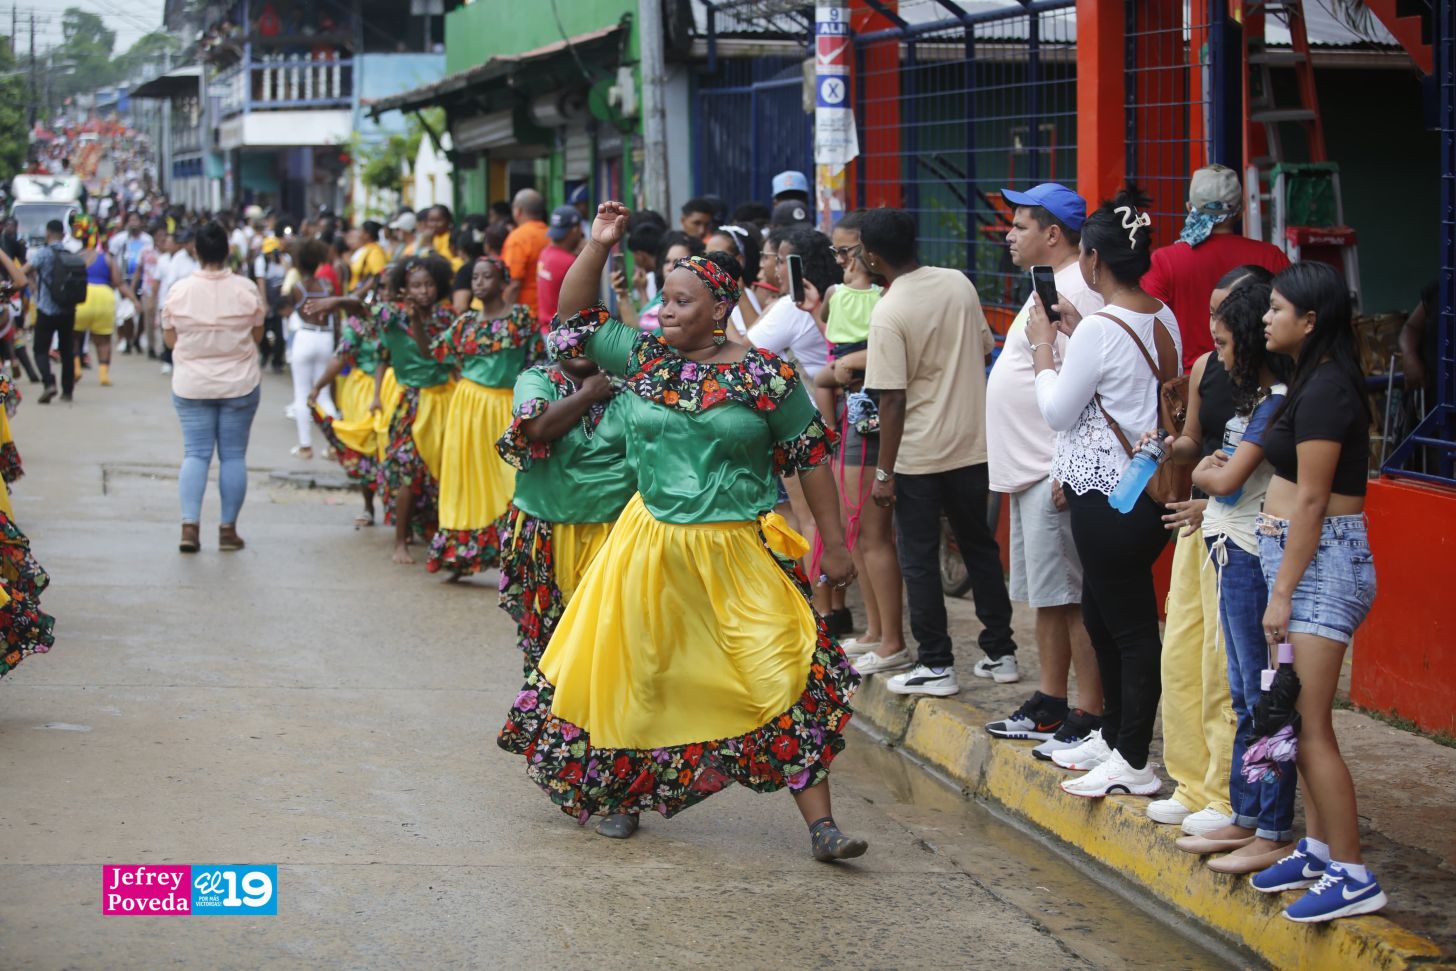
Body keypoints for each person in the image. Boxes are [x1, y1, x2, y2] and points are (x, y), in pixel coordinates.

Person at [499, 201, 866, 861]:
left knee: (779, 666)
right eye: (663, 299)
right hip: (648, 544)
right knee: (636, 671)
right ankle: (619, 798)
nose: (664, 310)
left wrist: (834, 543)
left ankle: (822, 825)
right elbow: (575, 319)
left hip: (733, 548)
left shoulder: (764, 376)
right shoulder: (641, 358)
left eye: (680, 301)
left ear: (720, 309)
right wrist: (599, 244)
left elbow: (811, 457)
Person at [1026, 187, 1181, 797]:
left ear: (1091, 260)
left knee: (1131, 628)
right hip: (1143, 489)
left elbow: (1059, 412)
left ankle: (1135, 758)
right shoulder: (1159, 315)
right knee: (1104, 612)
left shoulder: (1099, 332)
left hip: (1111, 496)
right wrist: (1080, 328)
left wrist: (1046, 348)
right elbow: (1132, 383)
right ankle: (1115, 736)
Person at [1246, 262, 1385, 923]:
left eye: (1276, 308)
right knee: (1294, 719)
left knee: (1310, 726)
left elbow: (1312, 499)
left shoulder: (1328, 387)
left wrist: (1282, 593)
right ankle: (1320, 848)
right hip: (1300, 559)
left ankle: (1353, 872)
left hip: (1321, 564)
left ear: (1310, 319)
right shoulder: (1309, 377)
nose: (1266, 317)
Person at [862, 208, 1015, 698]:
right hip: (972, 445)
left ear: (870, 256)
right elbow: (983, 346)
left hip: (920, 456)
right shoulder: (958, 284)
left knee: (919, 558)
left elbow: (891, 397)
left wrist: (883, 472)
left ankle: (936, 663)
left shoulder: (888, 311)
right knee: (979, 548)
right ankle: (1001, 652)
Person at [1174, 277, 1298, 875]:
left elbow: (1223, 480)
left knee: (1260, 699)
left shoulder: (1275, 402)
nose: (1218, 357)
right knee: (1245, 692)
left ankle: (1269, 826)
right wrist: (1208, 470)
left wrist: (1203, 470)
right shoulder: (1258, 403)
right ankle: (1246, 818)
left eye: (1225, 344)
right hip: (1232, 552)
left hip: (1251, 556)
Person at [982, 183, 1105, 755]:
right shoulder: (1047, 287)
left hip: (1051, 467)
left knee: (1072, 597)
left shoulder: (1081, 291)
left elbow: (1088, 390)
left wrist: (1066, 464)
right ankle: (1052, 702)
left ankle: (1091, 712)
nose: (1009, 234)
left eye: (1020, 224)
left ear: (1053, 234)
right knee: (1047, 596)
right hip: (1029, 467)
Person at [1148, 265, 1267, 835]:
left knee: (1227, 667)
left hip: (1237, 528)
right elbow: (1197, 437)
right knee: (1182, 650)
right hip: (1199, 523)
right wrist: (1172, 448)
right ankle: (1190, 782)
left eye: (1227, 315)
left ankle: (1224, 791)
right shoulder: (1204, 366)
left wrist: (1209, 491)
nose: (1215, 324)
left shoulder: (1272, 387)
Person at [304, 257, 456, 564]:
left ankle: (440, 535)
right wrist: (335, 301)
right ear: (404, 289)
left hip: (445, 401)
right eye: (416, 285)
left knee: (445, 472)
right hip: (411, 403)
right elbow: (360, 310)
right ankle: (400, 541)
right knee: (407, 473)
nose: (424, 291)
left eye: (429, 284)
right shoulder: (390, 315)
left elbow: (433, 353)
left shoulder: (446, 317)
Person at [495, 352, 633, 673]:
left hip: (613, 529)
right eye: (572, 334)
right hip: (548, 529)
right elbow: (538, 428)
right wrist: (588, 394)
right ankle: (552, 711)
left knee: (606, 631)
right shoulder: (536, 380)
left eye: (591, 336)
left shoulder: (628, 388)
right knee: (552, 632)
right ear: (555, 342)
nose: (581, 345)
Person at [810, 211, 905, 673]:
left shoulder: (880, 302)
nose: (839, 260)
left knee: (870, 534)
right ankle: (875, 634)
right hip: (857, 421)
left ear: (865, 255)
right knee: (864, 533)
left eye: (844, 252)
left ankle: (890, 639)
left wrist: (843, 367)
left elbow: (834, 368)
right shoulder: (869, 299)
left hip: (867, 427)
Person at [424, 257, 538, 576]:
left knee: (510, 479)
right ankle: (461, 552)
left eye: (487, 277)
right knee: (464, 479)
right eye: (475, 277)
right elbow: (436, 354)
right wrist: (416, 321)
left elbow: (538, 361)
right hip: (467, 408)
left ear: (502, 282)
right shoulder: (465, 324)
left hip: (505, 405)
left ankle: (514, 550)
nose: (479, 283)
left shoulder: (520, 319)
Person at [161, 221, 264, 554]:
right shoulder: (246, 289)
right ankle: (227, 530)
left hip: (192, 384)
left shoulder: (179, 291)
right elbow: (257, 335)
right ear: (228, 251)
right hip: (240, 383)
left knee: (195, 454)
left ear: (195, 250)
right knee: (233, 456)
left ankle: (189, 527)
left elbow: (169, 338)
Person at [1142, 165, 1289, 370]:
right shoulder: (1271, 256)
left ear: (1189, 208)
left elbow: (1150, 329)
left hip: (1189, 381)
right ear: (1240, 211)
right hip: (1258, 376)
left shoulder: (1163, 261)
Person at [286, 240, 338, 460]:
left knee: (302, 393)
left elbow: (289, 307)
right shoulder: (327, 285)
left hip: (305, 336)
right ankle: (335, 444)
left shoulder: (298, 289)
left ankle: (305, 446)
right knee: (324, 394)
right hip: (325, 337)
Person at [71, 215, 131, 388]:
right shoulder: (106, 258)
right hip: (104, 297)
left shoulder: (75, 257)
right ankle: (103, 375)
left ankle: (76, 368)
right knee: (103, 340)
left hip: (81, 297)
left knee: (74, 337)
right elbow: (118, 282)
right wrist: (134, 300)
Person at [24, 220, 79, 404]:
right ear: (63, 235)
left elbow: (24, 271)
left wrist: (32, 284)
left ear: (48, 234)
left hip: (46, 309)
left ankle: (49, 383)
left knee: (40, 349)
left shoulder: (43, 254)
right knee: (67, 351)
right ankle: (67, 391)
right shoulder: (70, 255)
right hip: (68, 310)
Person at [501, 190, 549, 317]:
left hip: (526, 314)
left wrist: (503, 317)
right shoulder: (550, 234)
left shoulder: (518, 238)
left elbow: (514, 284)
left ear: (518, 211)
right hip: (550, 311)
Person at [536, 206, 582, 328]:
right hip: (563, 333)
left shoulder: (545, 253)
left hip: (546, 329)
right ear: (575, 229)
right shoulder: (569, 262)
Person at [254, 236, 287, 373]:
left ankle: (277, 361)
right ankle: (265, 353)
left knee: (280, 334)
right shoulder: (261, 261)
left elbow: (289, 276)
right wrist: (264, 303)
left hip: (280, 302)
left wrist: (282, 260)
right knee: (263, 329)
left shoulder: (284, 260)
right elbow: (260, 282)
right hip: (266, 298)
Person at [349, 221, 387, 294]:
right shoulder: (366, 249)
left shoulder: (375, 252)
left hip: (362, 296)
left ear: (367, 235)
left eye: (360, 231)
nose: (357, 234)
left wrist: (359, 293)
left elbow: (378, 275)